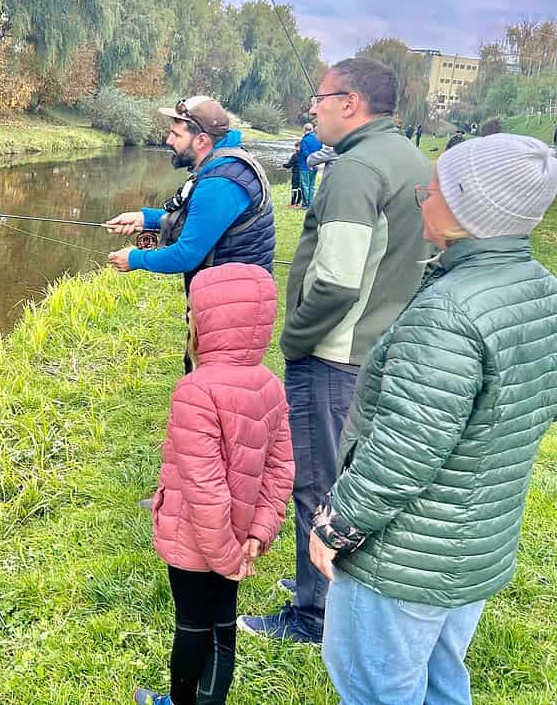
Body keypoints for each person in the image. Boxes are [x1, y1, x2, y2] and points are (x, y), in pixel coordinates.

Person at [311, 134, 557, 705]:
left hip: (405, 558)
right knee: (442, 678)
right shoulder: (540, 289)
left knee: (377, 686)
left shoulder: (449, 313)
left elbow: (404, 450)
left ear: (468, 209)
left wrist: (336, 526)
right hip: (476, 543)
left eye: (436, 189)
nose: (423, 198)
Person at [238, 56, 432, 644]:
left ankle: (313, 616)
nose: (312, 109)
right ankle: (321, 585)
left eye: (319, 99)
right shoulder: (414, 161)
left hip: (334, 355)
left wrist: (295, 334)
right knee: (350, 478)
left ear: (351, 103)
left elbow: (338, 280)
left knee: (318, 482)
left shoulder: (355, 169)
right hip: (382, 350)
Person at [133, 263, 294, 705]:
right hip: (240, 541)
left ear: (204, 323)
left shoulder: (195, 390)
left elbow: (204, 488)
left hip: (197, 542)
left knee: (191, 624)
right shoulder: (271, 385)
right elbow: (282, 470)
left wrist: (222, 556)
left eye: (192, 313)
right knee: (223, 622)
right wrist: (259, 532)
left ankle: (180, 700)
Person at [104, 96, 275, 373]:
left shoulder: (222, 182)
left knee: (213, 382)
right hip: (225, 296)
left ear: (202, 140)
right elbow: (196, 220)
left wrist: (134, 259)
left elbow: (185, 255)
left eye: (176, 134)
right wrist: (144, 219)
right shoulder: (220, 165)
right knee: (204, 374)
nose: (169, 141)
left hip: (232, 307)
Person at [296, 123, 323, 207]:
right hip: (315, 165)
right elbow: (320, 151)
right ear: (312, 129)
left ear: (304, 129)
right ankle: (311, 203)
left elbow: (305, 153)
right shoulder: (318, 139)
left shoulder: (304, 140)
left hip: (305, 165)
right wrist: (315, 161)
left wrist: (310, 161)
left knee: (305, 185)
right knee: (312, 185)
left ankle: (305, 204)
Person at [283, 138, 303, 207]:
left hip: (296, 173)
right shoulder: (305, 155)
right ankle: (298, 203)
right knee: (300, 188)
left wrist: (283, 165)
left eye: (295, 147)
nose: (295, 149)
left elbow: (289, 165)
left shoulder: (295, 155)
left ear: (297, 147)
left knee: (294, 188)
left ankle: (292, 204)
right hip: (303, 173)